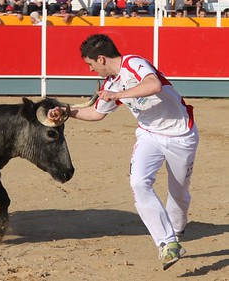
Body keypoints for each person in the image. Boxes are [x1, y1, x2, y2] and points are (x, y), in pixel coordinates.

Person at [46, 34, 198, 271]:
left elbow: (153, 85)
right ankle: (167, 243)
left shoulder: (134, 63)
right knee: (138, 183)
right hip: (149, 135)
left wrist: (117, 95)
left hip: (181, 135)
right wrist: (66, 112)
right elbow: (96, 114)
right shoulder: (110, 84)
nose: (90, 70)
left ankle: (176, 230)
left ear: (101, 58)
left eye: (90, 64)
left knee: (178, 193)